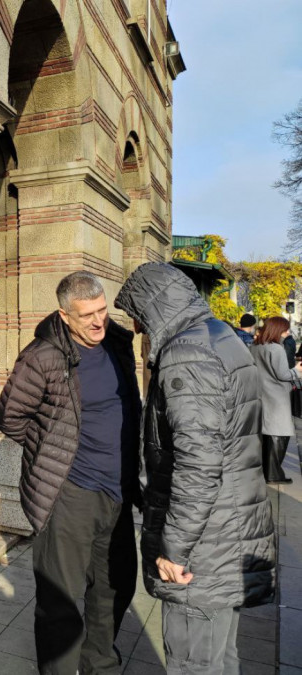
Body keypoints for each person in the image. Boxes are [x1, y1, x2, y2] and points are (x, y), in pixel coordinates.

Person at [114, 262, 276, 675]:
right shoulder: (219, 335)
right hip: (226, 531)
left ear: (152, 307)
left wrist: (175, 550)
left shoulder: (186, 353)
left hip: (203, 547)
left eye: (137, 315)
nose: (136, 327)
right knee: (221, 658)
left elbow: (198, 463)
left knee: (194, 664)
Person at [0, 270, 141, 675]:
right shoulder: (43, 356)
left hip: (119, 491)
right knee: (60, 598)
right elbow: (9, 416)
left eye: (102, 311)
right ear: (64, 315)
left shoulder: (117, 344)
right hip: (70, 493)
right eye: (86, 315)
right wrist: (53, 450)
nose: (98, 322)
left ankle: (100, 665)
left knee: (115, 586)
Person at [252, 316, 302, 484]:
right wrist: (297, 370)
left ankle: (267, 472)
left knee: (266, 433)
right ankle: (274, 474)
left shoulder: (255, 347)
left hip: (262, 393)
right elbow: (283, 374)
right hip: (277, 396)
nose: (287, 333)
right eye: (285, 330)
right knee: (280, 432)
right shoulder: (276, 349)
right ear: (277, 330)